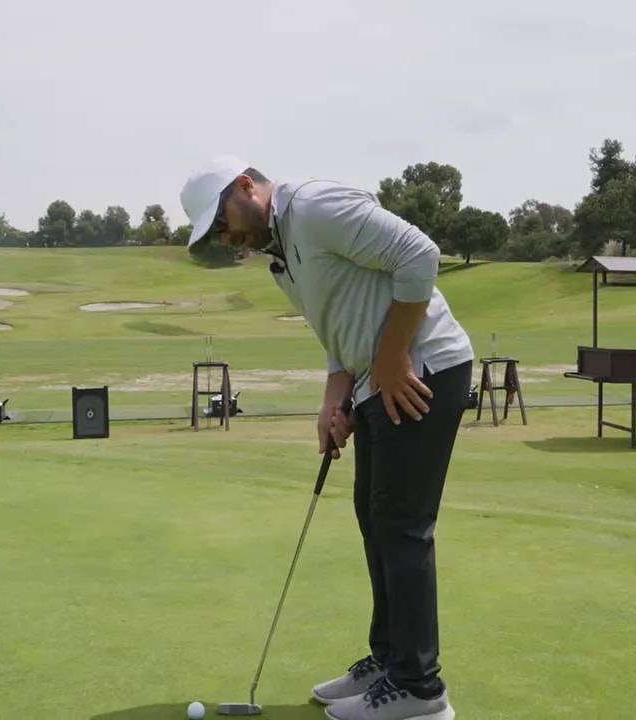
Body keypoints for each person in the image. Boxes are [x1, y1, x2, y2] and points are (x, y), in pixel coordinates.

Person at [179, 156, 473, 720]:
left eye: (223, 222)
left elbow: (420, 255)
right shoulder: (281, 260)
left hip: (422, 370)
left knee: (402, 525)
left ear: (245, 187)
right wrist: (333, 400)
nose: (226, 237)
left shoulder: (313, 207)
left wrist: (389, 359)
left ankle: (419, 688)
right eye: (217, 234)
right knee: (375, 517)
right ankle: (389, 660)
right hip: (377, 382)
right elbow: (340, 331)